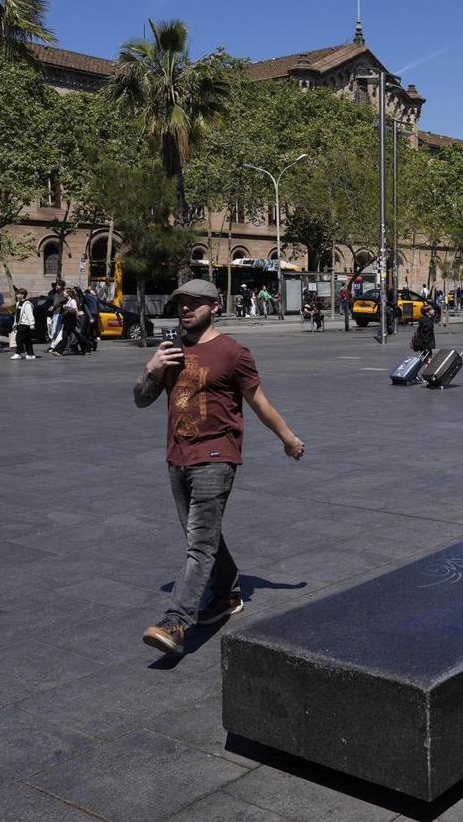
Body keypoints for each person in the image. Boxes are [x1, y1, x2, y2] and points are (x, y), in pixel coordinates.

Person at [134, 279, 305, 655]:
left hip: (216, 456)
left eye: (195, 303)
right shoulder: (171, 350)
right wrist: (151, 368)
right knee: (202, 538)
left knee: (199, 544)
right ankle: (227, 593)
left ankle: (176, 621)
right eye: (181, 302)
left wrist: (288, 438)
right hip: (176, 458)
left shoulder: (233, 353)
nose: (186, 308)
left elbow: (259, 401)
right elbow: (141, 401)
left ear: (213, 306)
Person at [11, 288, 37, 360]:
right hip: (19, 324)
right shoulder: (18, 303)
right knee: (27, 340)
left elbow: (30, 314)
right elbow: (17, 315)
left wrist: (32, 324)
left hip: (25, 324)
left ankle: (18, 353)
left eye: (18, 294)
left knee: (18, 339)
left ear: (22, 295)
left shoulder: (27, 304)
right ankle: (31, 354)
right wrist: (15, 324)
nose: (16, 295)